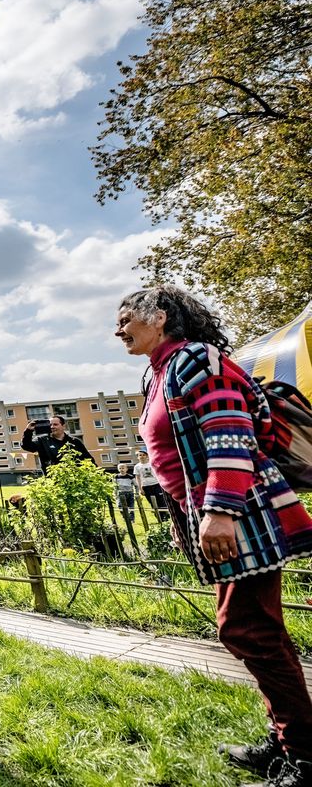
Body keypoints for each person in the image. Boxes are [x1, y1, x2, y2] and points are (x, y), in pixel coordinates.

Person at [117, 285, 312, 787]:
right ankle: (288, 740)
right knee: (256, 626)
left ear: (158, 317)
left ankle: (305, 755)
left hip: (244, 512)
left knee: (247, 628)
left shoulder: (194, 359)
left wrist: (219, 511)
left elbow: (230, 430)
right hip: (220, 513)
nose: (118, 331)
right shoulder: (158, 370)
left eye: (125, 320)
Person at [21, 414, 94, 474]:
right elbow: (26, 446)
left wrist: (97, 474)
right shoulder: (42, 440)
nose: (52, 427)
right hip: (53, 481)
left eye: (55, 424)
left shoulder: (75, 441)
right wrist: (28, 431)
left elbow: (89, 460)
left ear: (63, 426)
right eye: (50, 425)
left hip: (76, 481)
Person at [134, 449, 168, 519]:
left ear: (147, 456)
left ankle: (166, 516)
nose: (142, 456)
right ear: (138, 457)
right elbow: (138, 478)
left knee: (161, 501)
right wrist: (140, 489)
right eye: (140, 455)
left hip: (156, 484)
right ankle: (160, 517)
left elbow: (159, 473)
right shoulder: (137, 466)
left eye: (144, 455)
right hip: (146, 487)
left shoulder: (152, 463)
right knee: (152, 503)